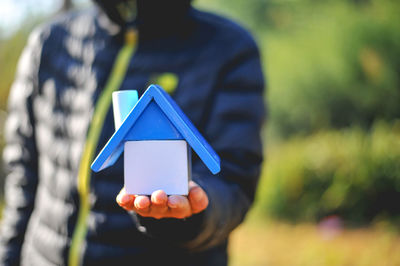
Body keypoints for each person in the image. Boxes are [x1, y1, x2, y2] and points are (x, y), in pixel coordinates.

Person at [0, 0, 265, 265]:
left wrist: (191, 215)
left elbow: (233, 176)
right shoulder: (48, 42)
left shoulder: (228, 48)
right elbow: (22, 173)